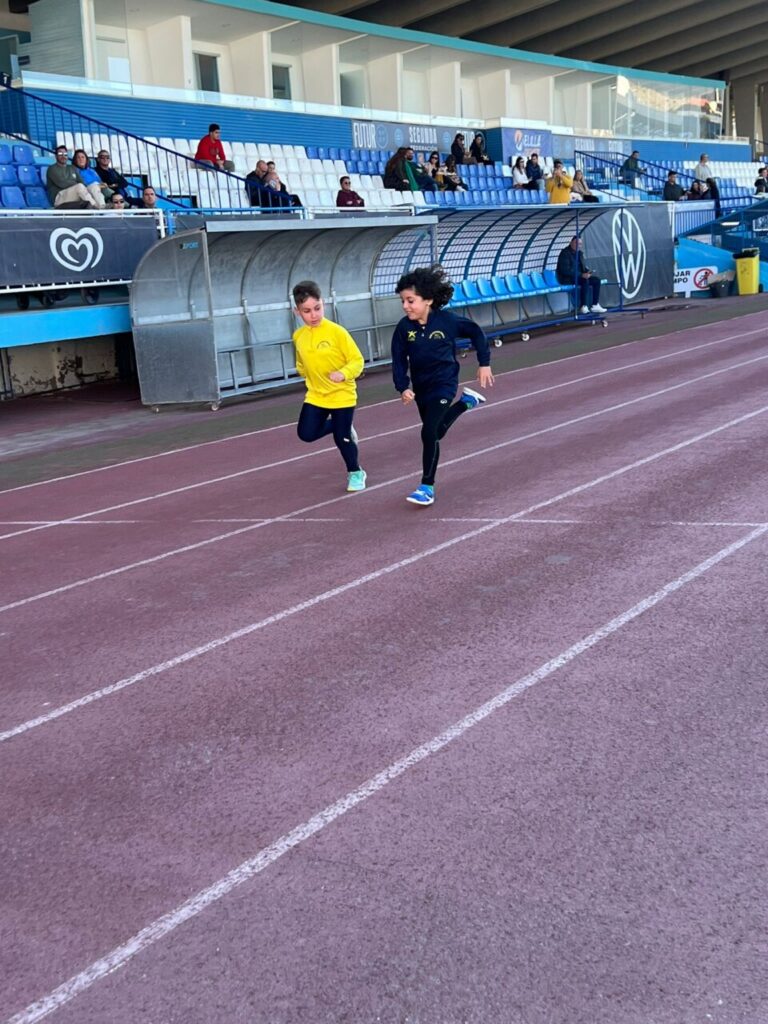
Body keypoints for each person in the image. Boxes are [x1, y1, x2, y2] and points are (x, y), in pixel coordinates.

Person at [391, 264, 494, 507]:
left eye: (410, 300)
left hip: (444, 384)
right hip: (421, 388)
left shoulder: (447, 321)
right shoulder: (404, 328)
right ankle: (466, 403)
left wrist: (484, 363)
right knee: (436, 432)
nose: (405, 306)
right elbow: (398, 359)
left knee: (428, 433)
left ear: (427, 300)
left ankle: (426, 486)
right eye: (403, 301)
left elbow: (476, 332)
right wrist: (403, 386)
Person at [291, 280, 366, 493]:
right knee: (306, 433)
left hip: (342, 394)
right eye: (307, 311)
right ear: (297, 312)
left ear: (323, 304)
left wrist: (343, 373)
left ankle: (356, 472)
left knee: (341, 439)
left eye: (317, 308)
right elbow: (301, 361)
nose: (313, 315)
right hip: (316, 395)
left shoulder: (337, 332)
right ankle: (342, 425)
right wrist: (303, 371)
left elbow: (357, 360)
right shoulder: (299, 336)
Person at [555, 236, 607, 315]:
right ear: (571, 243)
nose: (578, 245)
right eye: (576, 243)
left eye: (580, 244)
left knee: (596, 280)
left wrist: (587, 272)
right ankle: (584, 306)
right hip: (567, 279)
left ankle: (595, 305)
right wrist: (581, 275)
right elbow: (565, 271)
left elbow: (582, 267)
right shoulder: (564, 253)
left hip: (578, 277)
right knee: (584, 280)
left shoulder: (580, 253)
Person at [45, 145, 99, 209]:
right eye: (60, 154)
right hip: (59, 198)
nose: (63, 156)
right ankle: (96, 208)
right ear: (56, 156)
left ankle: (102, 206)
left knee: (93, 187)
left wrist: (78, 184)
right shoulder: (52, 168)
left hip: (73, 194)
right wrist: (76, 183)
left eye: (65, 154)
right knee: (79, 187)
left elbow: (82, 182)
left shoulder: (72, 168)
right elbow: (62, 183)